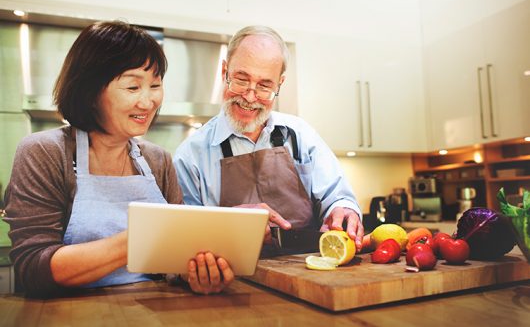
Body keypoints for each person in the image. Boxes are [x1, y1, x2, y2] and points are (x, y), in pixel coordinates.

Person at [3, 21, 233, 298]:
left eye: (155, 85)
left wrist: (194, 274)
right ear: (91, 91)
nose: (148, 102)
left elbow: (173, 261)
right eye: (133, 87)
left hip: (151, 311)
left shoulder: (157, 160)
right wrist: (139, 238)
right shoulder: (45, 152)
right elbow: (33, 268)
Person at [173, 25, 363, 255]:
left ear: (279, 84)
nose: (250, 97)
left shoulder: (300, 135)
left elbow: (337, 196)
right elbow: (183, 239)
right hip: (231, 282)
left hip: (308, 274)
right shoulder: (190, 155)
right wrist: (228, 225)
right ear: (225, 72)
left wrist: (343, 209)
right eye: (241, 80)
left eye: (264, 85)